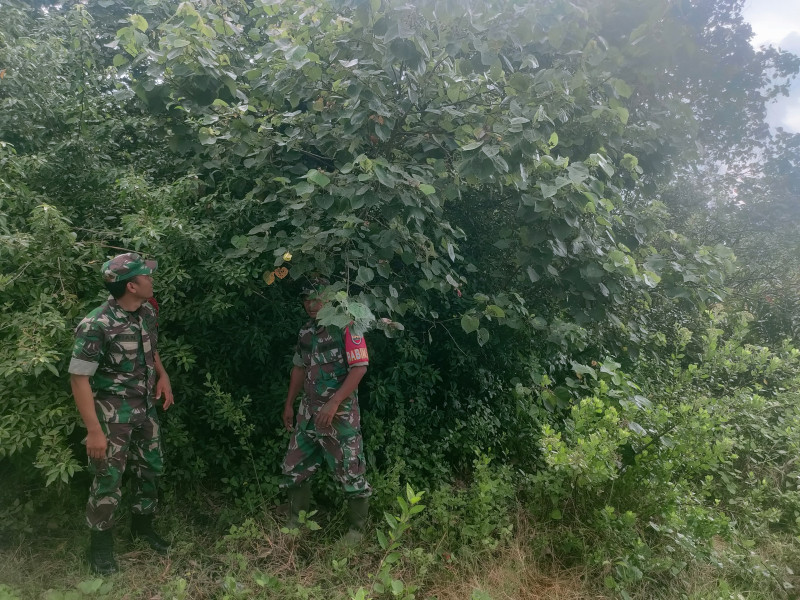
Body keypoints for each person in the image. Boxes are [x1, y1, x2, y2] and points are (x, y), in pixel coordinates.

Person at [68, 252, 174, 574]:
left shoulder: (146, 313)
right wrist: (94, 431)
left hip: (145, 409)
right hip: (112, 417)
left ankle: (142, 528)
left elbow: (151, 349)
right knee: (107, 480)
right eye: (147, 275)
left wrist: (164, 375)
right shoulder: (96, 324)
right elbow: (79, 377)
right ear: (131, 285)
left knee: (151, 468)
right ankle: (100, 549)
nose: (152, 279)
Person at [281, 278, 371, 541]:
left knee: (351, 474)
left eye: (317, 298)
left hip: (340, 416)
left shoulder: (348, 326)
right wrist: (288, 404)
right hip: (308, 414)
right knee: (293, 467)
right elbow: (299, 368)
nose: (311, 304)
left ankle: (357, 532)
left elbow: (359, 368)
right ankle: (296, 523)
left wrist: (334, 403)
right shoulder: (306, 332)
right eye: (306, 299)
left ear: (330, 298)